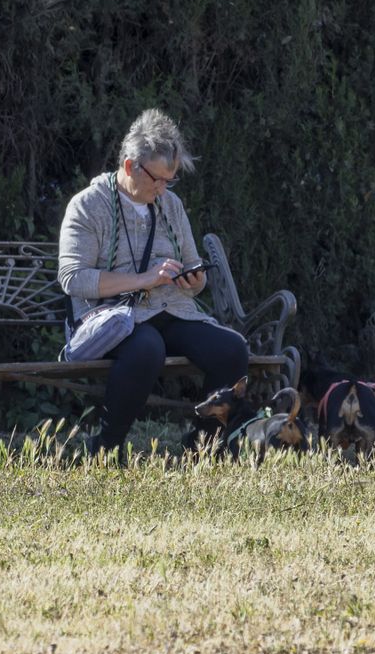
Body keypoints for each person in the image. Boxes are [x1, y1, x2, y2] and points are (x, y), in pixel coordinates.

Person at [56, 109, 250, 454]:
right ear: (130, 166)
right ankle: (106, 447)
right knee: (147, 347)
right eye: (157, 179)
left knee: (231, 348)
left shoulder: (171, 205)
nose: (162, 189)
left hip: (171, 310)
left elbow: (193, 269)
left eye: (169, 180)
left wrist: (193, 280)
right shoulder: (87, 205)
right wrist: (143, 279)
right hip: (112, 318)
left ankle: (204, 443)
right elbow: (73, 278)